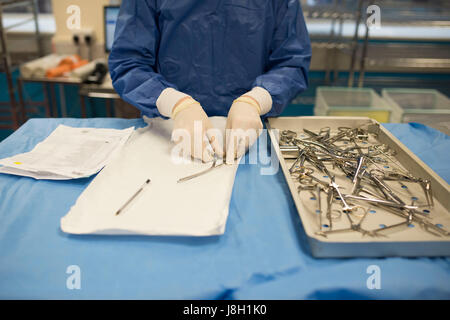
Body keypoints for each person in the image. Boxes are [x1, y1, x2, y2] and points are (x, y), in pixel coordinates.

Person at [109, 0, 311, 162]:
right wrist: (176, 104)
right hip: (168, 130)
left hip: (248, 135)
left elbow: (291, 63)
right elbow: (128, 62)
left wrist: (255, 100)